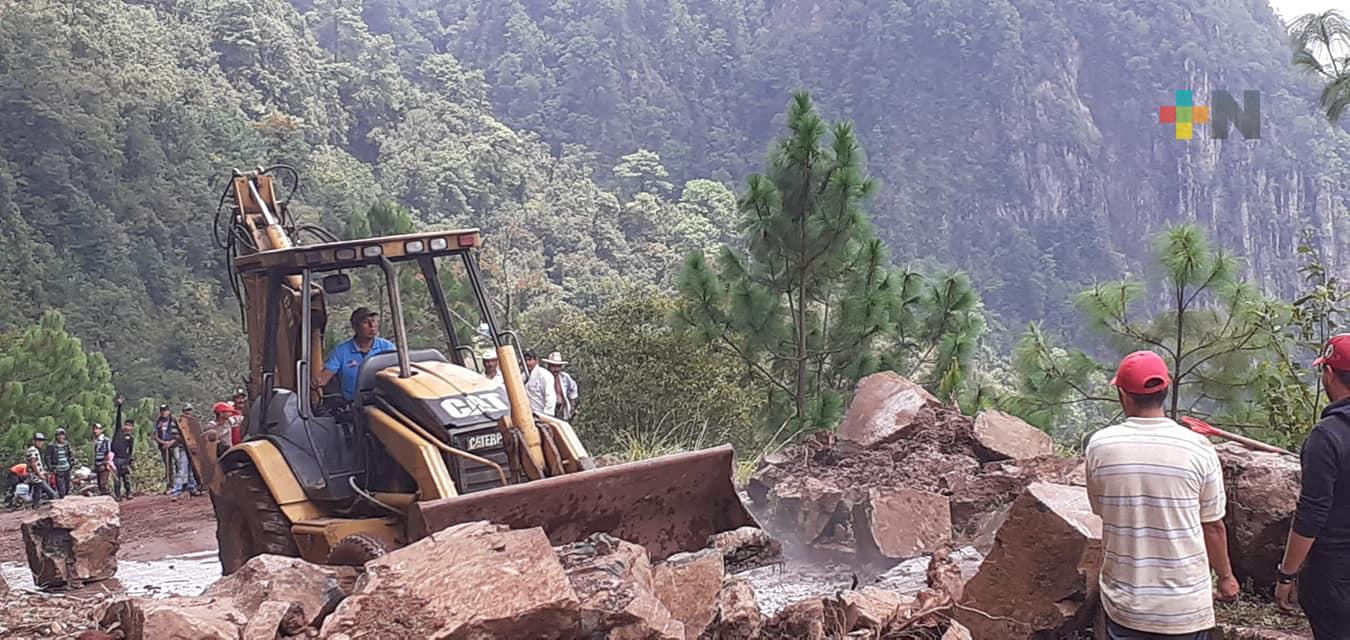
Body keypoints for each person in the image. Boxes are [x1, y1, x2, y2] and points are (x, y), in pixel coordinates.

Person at [1085, 350, 1238, 639]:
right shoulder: (1199, 448)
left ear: (1123, 395)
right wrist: (1226, 578)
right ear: (1166, 389)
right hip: (1186, 607)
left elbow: (1102, 509)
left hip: (1128, 604)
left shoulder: (1100, 445)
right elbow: (1213, 526)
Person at [1276, 333, 1350, 638]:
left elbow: (1311, 513)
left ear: (1329, 374)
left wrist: (1287, 574)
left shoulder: (1328, 436)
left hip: (1336, 576)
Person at [313, 307, 396, 402]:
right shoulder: (342, 351)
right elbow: (323, 379)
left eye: (373, 321)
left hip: (381, 403)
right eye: (365, 322)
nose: (371, 325)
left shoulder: (387, 347)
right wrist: (316, 381)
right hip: (352, 405)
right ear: (355, 327)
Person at [542, 352, 579, 421]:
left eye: (558, 366)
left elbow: (573, 388)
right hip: (548, 412)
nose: (556, 369)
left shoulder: (565, 377)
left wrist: (572, 405)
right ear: (548, 366)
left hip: (562, 412)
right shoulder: (543, 378)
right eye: (553, 366)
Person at [111, 403, 136, 501]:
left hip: (123, 459)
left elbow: (130, 451)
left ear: (132, 428)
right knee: (116, 479)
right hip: (115, 459)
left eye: (130, 425)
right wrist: (120, 406)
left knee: (126, 478)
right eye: (126, 424)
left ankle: (128, 493)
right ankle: (118, 495)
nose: (127, 427)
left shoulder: (130, 438)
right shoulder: (118, 432)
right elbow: (118, 419)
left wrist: (128, 460)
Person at [25, 433, 57, 507]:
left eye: (41, 441)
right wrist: (40, 474)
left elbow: (36, 464)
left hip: (36, 476)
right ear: (34, 441)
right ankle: (53, 509)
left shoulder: (35, 450)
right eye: (38, 441)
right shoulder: (33, 450)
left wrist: (43, 472)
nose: (40, 442)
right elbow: (33, 464)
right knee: (51, 493)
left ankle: (35, 507)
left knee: (37, 493)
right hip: (36, 477)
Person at [523, 350, 557, 417]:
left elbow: (550, 396)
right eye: (525, 360)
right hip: (528, 415)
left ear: (536, 360)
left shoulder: (544, 375)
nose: (527, 363)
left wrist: (547, 415)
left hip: (542, 414)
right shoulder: (522, 376)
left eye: (530, 360)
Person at [45, 428, 76, 498]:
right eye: (59, 435)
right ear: (56, 436)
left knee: (67, 487)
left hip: (67, 468)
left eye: (62, 435)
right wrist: (51, 468)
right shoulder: (51, 445)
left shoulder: (66, 444)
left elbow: (70, 454)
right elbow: (47, 457)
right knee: (61, 489)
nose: (61, 437)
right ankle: (62, 499)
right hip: (58, 469)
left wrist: (72, 462)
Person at [153, 404, 176, 490]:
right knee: (168, 465)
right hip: (163, 445)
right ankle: (170, 484)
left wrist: (170, 442)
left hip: (174, 444)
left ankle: (180, 484)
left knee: (177, 462)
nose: (164, 412)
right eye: (162, 411)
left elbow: (179, 434)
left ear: (169, 411)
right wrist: (163, 443)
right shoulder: (159, 422)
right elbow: (155, 436)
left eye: (165, 410)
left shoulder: (173, 420)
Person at [92, 422, 112, 495]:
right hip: (97, 464)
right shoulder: (96, 441)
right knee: (99, 484)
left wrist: (106, 463)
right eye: (94, 429)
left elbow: (108, 452)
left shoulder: (105, 440)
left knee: (103, 483)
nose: (95, 431)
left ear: (101, 430)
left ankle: (107, 500)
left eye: (97, 429)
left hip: (103, 464)